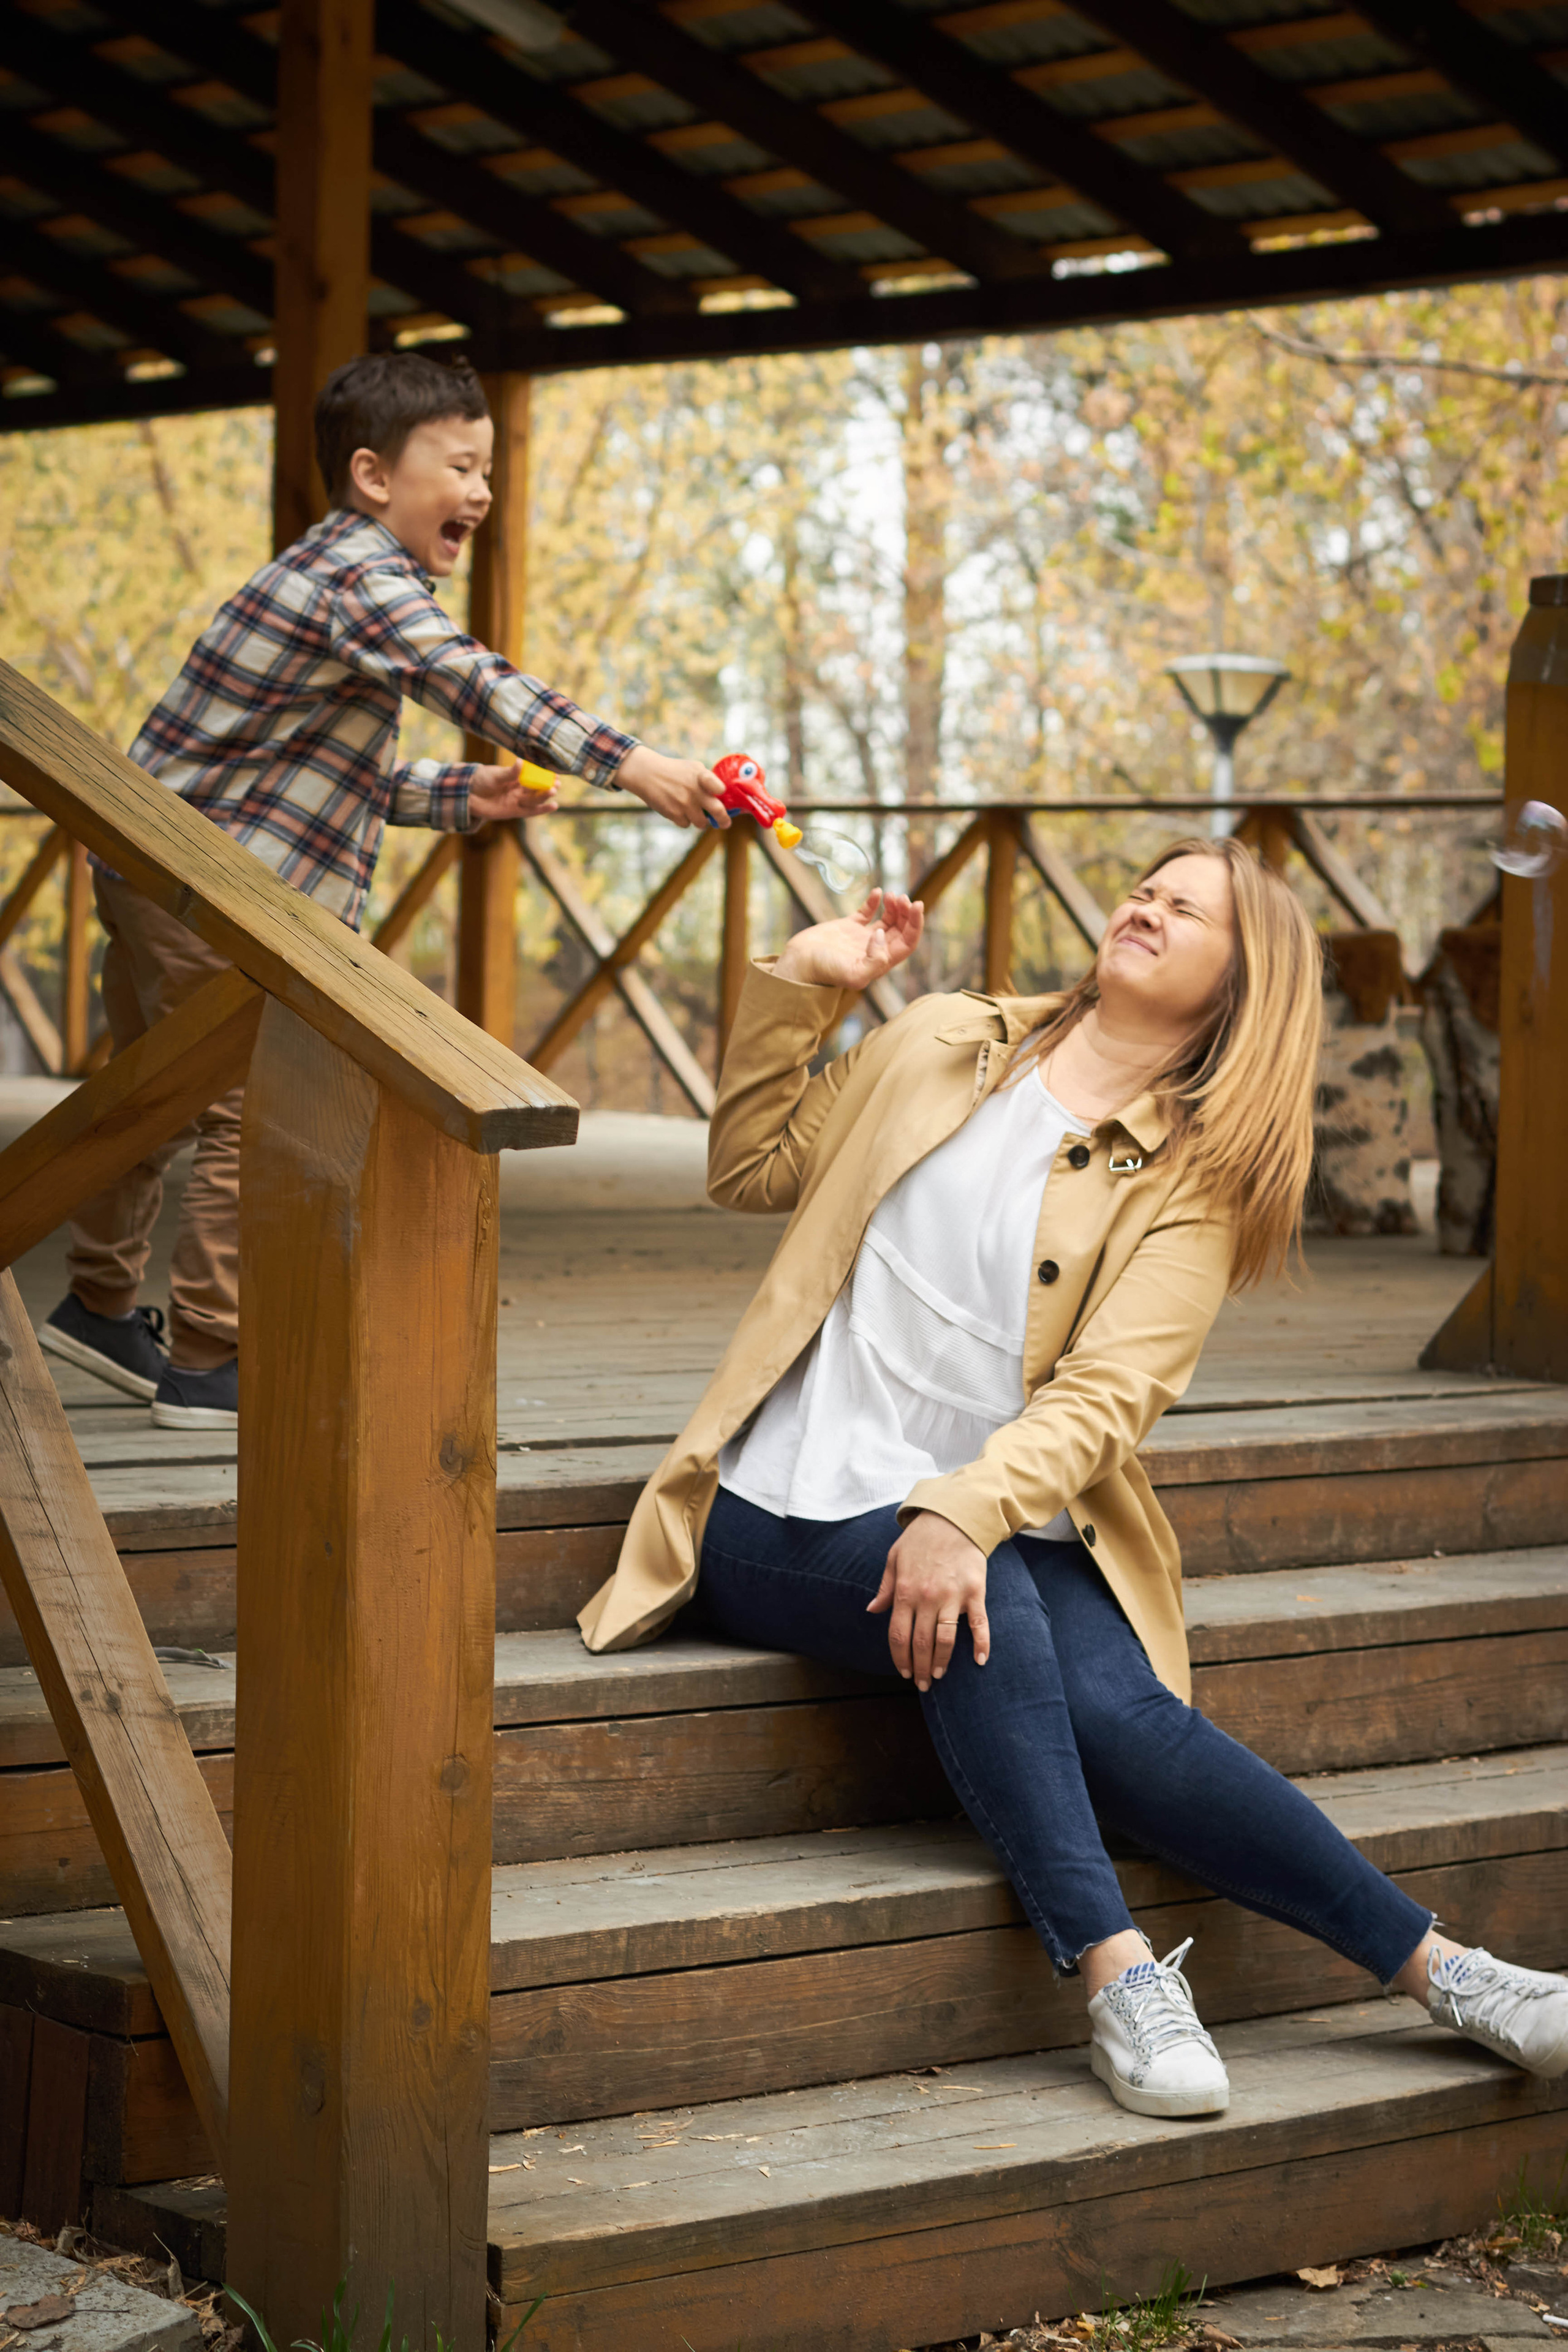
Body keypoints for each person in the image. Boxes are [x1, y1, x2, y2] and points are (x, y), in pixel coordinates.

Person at [578, 837, 1568, 2117]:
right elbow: (749, 1169)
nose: (1144, 907)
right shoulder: (939, 1039)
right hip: (786, 1496)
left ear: (1238, 984)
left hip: (1003, 1516)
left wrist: (957, 1507)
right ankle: (1116, 1973)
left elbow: (1107, 1399)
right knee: (991, 1608)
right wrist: (800, 983)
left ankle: (1447, 1974)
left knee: (1121, 1717)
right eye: (1144, 889)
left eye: (1185, 909)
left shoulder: (1193, 1177)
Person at [41, 349, 731, 1433]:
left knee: (153, 1097)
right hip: (205, 886)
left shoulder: (332, 579)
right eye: (460, 466)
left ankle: (98, 1303)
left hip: (161, 862)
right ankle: (211, 1357)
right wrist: (632, 763)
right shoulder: (365, 581)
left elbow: (307, 783)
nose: (483, 493)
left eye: (488, 471)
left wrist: (468, 796)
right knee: (243, 1107)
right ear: (374, 476)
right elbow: (472, 679)